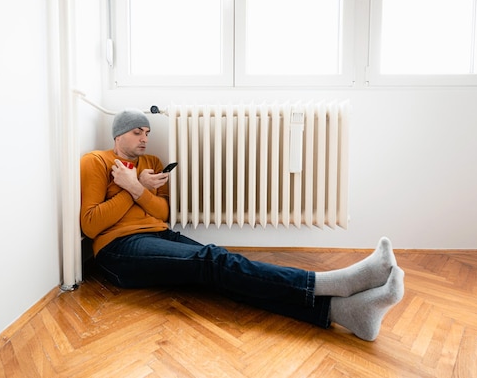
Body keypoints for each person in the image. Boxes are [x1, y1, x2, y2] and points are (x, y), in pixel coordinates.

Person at [80, 109, 404, 341]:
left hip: (158, 234)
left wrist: (137, 186)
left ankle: (341, 313)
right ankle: (334, 282)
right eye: (138, 132)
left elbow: (162, 213)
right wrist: (131, 188)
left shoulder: (149, 164)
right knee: (213, 261)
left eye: (147, 132)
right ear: (118, 134)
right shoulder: (96, 161)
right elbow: (92, 225)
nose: (145, 138)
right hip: (117, 250)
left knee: (222, 269)